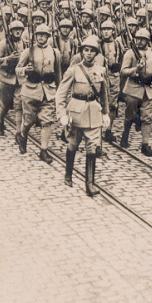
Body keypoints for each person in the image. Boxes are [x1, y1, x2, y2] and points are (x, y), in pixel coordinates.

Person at [56, 35, 110, 195]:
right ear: (81, 52)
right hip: (76, 113)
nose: (88, 54)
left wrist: (106, 114)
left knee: (92, 148)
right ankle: (68, 174)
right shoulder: (73, 70)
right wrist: (62, 114)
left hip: (94, 113)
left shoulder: (101, 71)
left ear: (96, 53)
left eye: (92, 51)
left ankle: (90, 184)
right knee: (72, 144)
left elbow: (104, 94)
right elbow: (61, 93)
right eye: (86, 50)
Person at [16, 24, 60, 162]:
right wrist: (25, 70)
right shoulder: (28, 52)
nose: (41, 37)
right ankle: (23, 135)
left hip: (48, 90)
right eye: (39, 35)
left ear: (48, 36)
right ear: (35, 36)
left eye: (44, 35)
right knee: (28, 121)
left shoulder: (54, 52)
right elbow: (18, 69)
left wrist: (59, 91)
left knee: (47, 121)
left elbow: (58, 73)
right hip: (31, 91)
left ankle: (43, 150)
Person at [119, 27, 152, 156]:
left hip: (148, 90)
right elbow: (123, 71)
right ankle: (125, 134)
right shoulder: (130, 53)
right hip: (133, 90)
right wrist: (135, 69)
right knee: (130, 116)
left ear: (148, 41)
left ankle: (145, 145)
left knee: (147, 119)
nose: (140, 42)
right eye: (138, 39)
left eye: (143, 40)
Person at [0, 19, 26, 137]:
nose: (18, 32)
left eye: (20, 30)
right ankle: (0, 121)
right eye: (15, 30)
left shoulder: (25, 43)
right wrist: (8, 59)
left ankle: (18, 132)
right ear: (11, 31)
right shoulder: (3, 43)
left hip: (19, 79)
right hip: (5, 78)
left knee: (19, 105)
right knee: (4, 105)